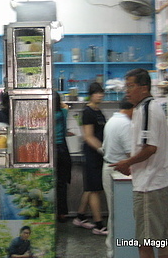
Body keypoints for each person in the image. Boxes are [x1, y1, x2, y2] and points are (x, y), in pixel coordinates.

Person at [111, 68, 168, 258]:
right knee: (163, 242)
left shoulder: (147, 109)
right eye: (126, 86)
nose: (127, 91)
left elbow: (150, 148)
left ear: (144, 88)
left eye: (131, 86)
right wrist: (133, 165)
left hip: (149, 186)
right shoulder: (144, 108)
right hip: (159, 182)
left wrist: (127, 162)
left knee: (144, 244)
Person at [72, 82, 108, 235]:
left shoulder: (98, 110)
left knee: (91, 188)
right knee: (94, 190)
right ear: (91, 94)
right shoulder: (87, 112)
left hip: (98, 154)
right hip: (92, 154)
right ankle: (99, 225)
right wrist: (103, 150)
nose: (100, 95)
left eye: (101, 93)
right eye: (97, 93)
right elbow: (88, 137)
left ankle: (80, 217)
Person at [102, 97, 134, 258]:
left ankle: (112, 249)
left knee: (113, 211)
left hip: (109, 167)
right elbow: (131, 154)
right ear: (132, 109)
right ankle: (115, 251)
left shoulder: (112, 120)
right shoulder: (126, 124)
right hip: (119, 171)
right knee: (119, 213)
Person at [54, 91, 72, 223]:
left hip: (49, 149)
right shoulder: (63, 112)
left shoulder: (46, 114)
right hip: (62, 149)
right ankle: (62, 213)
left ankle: (50, 212)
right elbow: (65, 105)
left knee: (49, 181)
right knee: (61, 183)